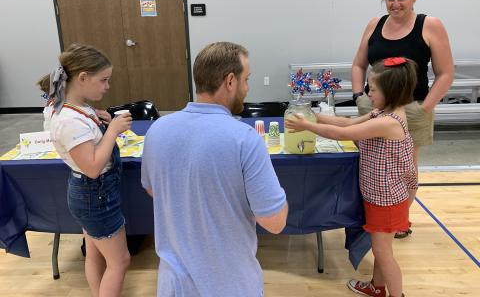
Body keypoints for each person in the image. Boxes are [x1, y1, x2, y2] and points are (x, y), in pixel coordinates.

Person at [141, 42, 288, 297]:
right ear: (230, 81)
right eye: (246, 79)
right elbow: (274, 222)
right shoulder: (244, 139)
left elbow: (154, 190)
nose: (247, 88)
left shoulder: (157, 130)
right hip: (230, 285)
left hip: (173, 286)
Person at [286, 57, 418, 297]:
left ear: (391, 91)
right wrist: (312, 116)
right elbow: (346, 122)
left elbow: (342, 133)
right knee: (381, 250)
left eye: (374, 89)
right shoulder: (382, 112)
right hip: (380, 196)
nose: (368, 93)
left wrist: (307, 126)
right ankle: (377, 288)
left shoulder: (389, 122)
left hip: (387, 200)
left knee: (384, 254)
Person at [351, 0, 454, 238]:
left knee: (404, 170)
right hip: (373, 106)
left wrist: (425, 107)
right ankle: (373, 217)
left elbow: (446, 73)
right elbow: (358, 63)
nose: (395, 4)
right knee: (371, 164)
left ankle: (399, 222)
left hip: (412, 108)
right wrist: (357, 95)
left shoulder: (430, 25)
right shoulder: (375, 24)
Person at [38, 44, 132, 297]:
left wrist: (103, 124)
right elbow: (92, 168)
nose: (107, 86)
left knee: (94, 254)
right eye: (103, 80)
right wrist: (112, 132)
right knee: (120, 261)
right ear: (82, 78)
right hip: (95, 194)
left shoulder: (77, 109)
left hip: (93, 194)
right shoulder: (69, 120)